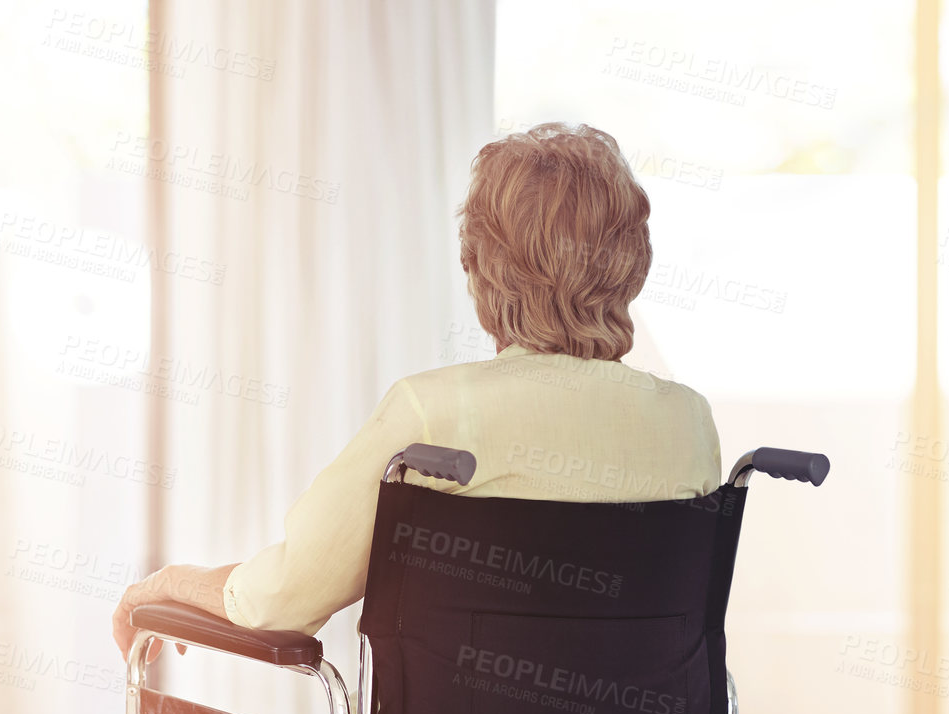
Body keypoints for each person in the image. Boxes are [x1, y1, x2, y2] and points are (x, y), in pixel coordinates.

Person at [112, 121, 720, 657]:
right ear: (633, 262)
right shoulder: (690, 425)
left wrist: (169, 584)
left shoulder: (433, 418)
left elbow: (283, 597)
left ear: (480, 268)